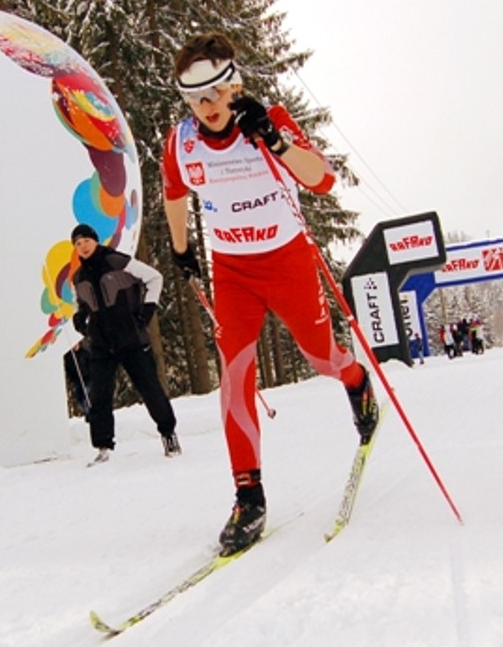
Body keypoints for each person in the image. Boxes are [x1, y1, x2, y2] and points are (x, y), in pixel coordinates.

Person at [161, 33, 379, 555]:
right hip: (233, 271)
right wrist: (182, 249)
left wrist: (277, 142)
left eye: (215, 93)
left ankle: (355, 379)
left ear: (235, 83)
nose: (207, 108)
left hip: (287, 261)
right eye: (195, 99)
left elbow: (323, 180)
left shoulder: (270, 120)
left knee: (320, 356)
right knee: (235, 378)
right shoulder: (181, 141)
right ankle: (248, 495)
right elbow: (173, 190)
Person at [69, 223, 181, 465]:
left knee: (150, 389)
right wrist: (80, 319)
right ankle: (103, 446)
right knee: (99, 396)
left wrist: (147, 311)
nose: (83, 247)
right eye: (78, 244)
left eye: (86, 241)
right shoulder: (79, 276)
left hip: (131, 339)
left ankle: (168, 434)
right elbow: (83, 304)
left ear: (95, 240)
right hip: (101, 344)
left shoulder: (118, 261)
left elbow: (154, 278)